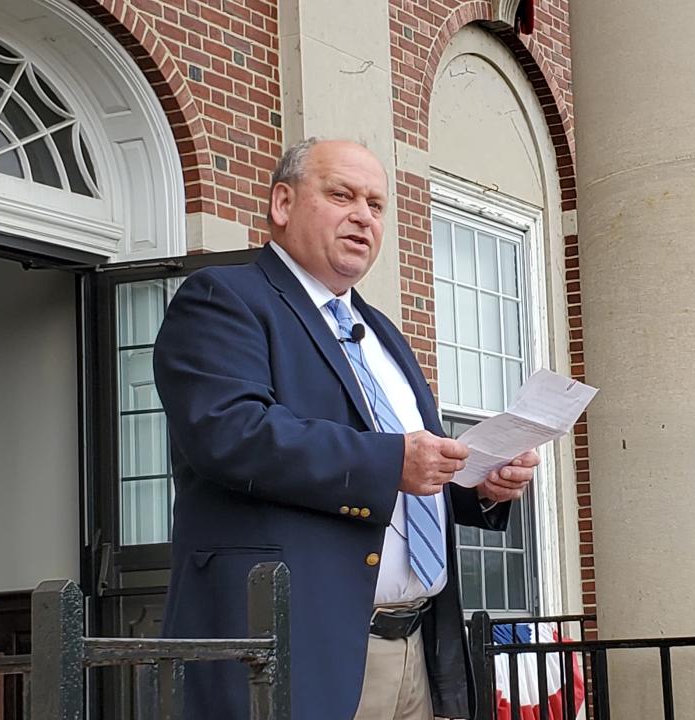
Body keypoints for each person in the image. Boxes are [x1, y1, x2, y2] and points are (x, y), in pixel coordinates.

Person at [153, 138, 539, 720]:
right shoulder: (223, 298)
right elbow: (230, 433)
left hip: (418, 646)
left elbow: (403, 473)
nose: (363, 215)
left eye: (377, 205)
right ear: (283, 204)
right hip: (305, 649)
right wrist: (393, 463)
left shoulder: (380, 330)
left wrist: (479, 485)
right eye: (342, 195)